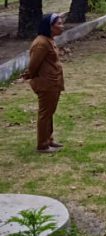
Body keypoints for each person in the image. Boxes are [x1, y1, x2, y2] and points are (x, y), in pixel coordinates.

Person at [22, 14, 66, 153]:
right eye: (59, 24)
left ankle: (49, 139)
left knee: (50, 112)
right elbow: (33, 65)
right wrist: (33, 77)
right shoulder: (41, 43)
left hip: (53, 83)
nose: (62, 26)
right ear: (50, 26)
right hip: (46, 84)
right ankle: (42, 144)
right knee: (45, 113)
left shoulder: (49, 40)